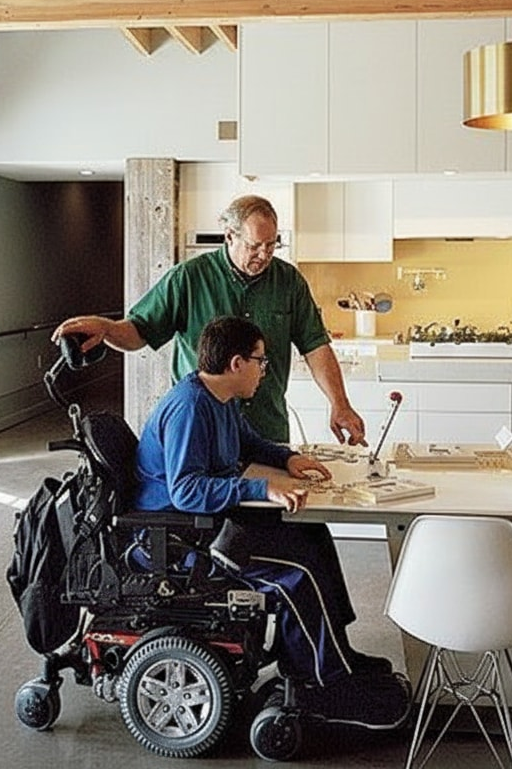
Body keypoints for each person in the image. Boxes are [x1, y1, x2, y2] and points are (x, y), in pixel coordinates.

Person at [133, 315, 387, 688]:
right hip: (178, 535)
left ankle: (333, 651)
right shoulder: (190, 408)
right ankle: (321, 677)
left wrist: (286, 459)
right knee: (296, 574)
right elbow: (185, 491)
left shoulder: (220, 399)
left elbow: (248, 443)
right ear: (236, 364)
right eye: (261, 361)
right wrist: (261, 489)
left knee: (312, 534)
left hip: (209, 520)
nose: (264, 371)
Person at [53, 194, 365, 446]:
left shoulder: (288, 282)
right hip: (201, 430)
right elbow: (139, 332)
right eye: (255, 245)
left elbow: (316, 347)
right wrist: (107, 328)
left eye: (272, 245)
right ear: (229, 236)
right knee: (207, 516)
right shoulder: (188, 277)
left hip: (265, 428)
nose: (265, 254)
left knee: (266, 517)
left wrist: (340, 403)